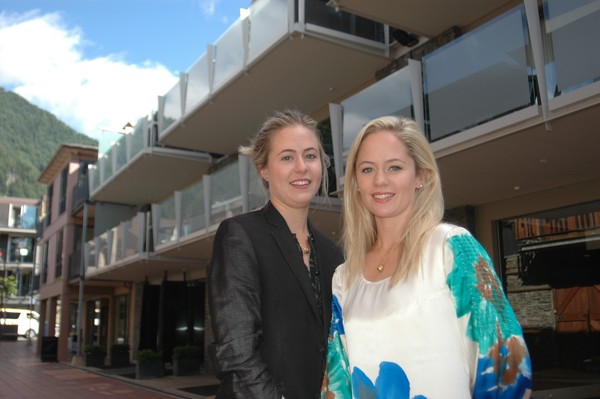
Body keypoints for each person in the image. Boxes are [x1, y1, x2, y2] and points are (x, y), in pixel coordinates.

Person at [322, 116, 532, 398]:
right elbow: (338, 382)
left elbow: (504, 361)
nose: (380, 180)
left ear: (421, 176)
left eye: (394, 167)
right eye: (367, 169)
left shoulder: (450, 248)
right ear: (356, 182)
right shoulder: (344, 278)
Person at [208, 109, 344, 399]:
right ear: (264, 169)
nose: (301, 167)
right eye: (286, 157)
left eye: (310, 156)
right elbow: (238, 352)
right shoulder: (239, 235)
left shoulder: (333, 254)